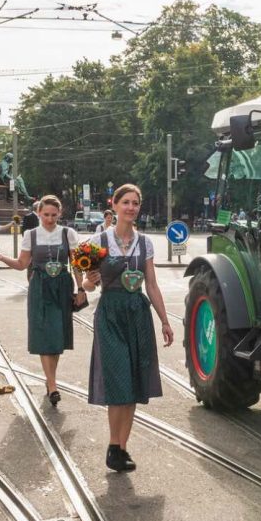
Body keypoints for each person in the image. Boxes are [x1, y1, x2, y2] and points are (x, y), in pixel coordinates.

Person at [82, 184, 174, 472]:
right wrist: (89, 281)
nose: (131, 207)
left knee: (133, 381)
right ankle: (113, 444)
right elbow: (87, 285)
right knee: (118, 378)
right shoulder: (98, 240)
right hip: (110, 314)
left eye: (135, 203)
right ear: (115, 205)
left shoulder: (145, 243)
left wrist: (165, 321)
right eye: (126, 202)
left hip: (137, 313)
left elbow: (152, 284)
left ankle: (122, 448)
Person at [0, 195, 85, 406]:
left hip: (62, 287)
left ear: (59, 214)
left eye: (54, 215)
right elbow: (22, 264)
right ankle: (52, 385)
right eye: (46, 214)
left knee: (57, 336)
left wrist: (80, 289)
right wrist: (0, 257)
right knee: (44, 335)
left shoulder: (68, 234)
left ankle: (50, 380)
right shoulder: (30, 235)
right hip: (40, 287)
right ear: (39, 213)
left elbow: (77, 264)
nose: (49, 219)